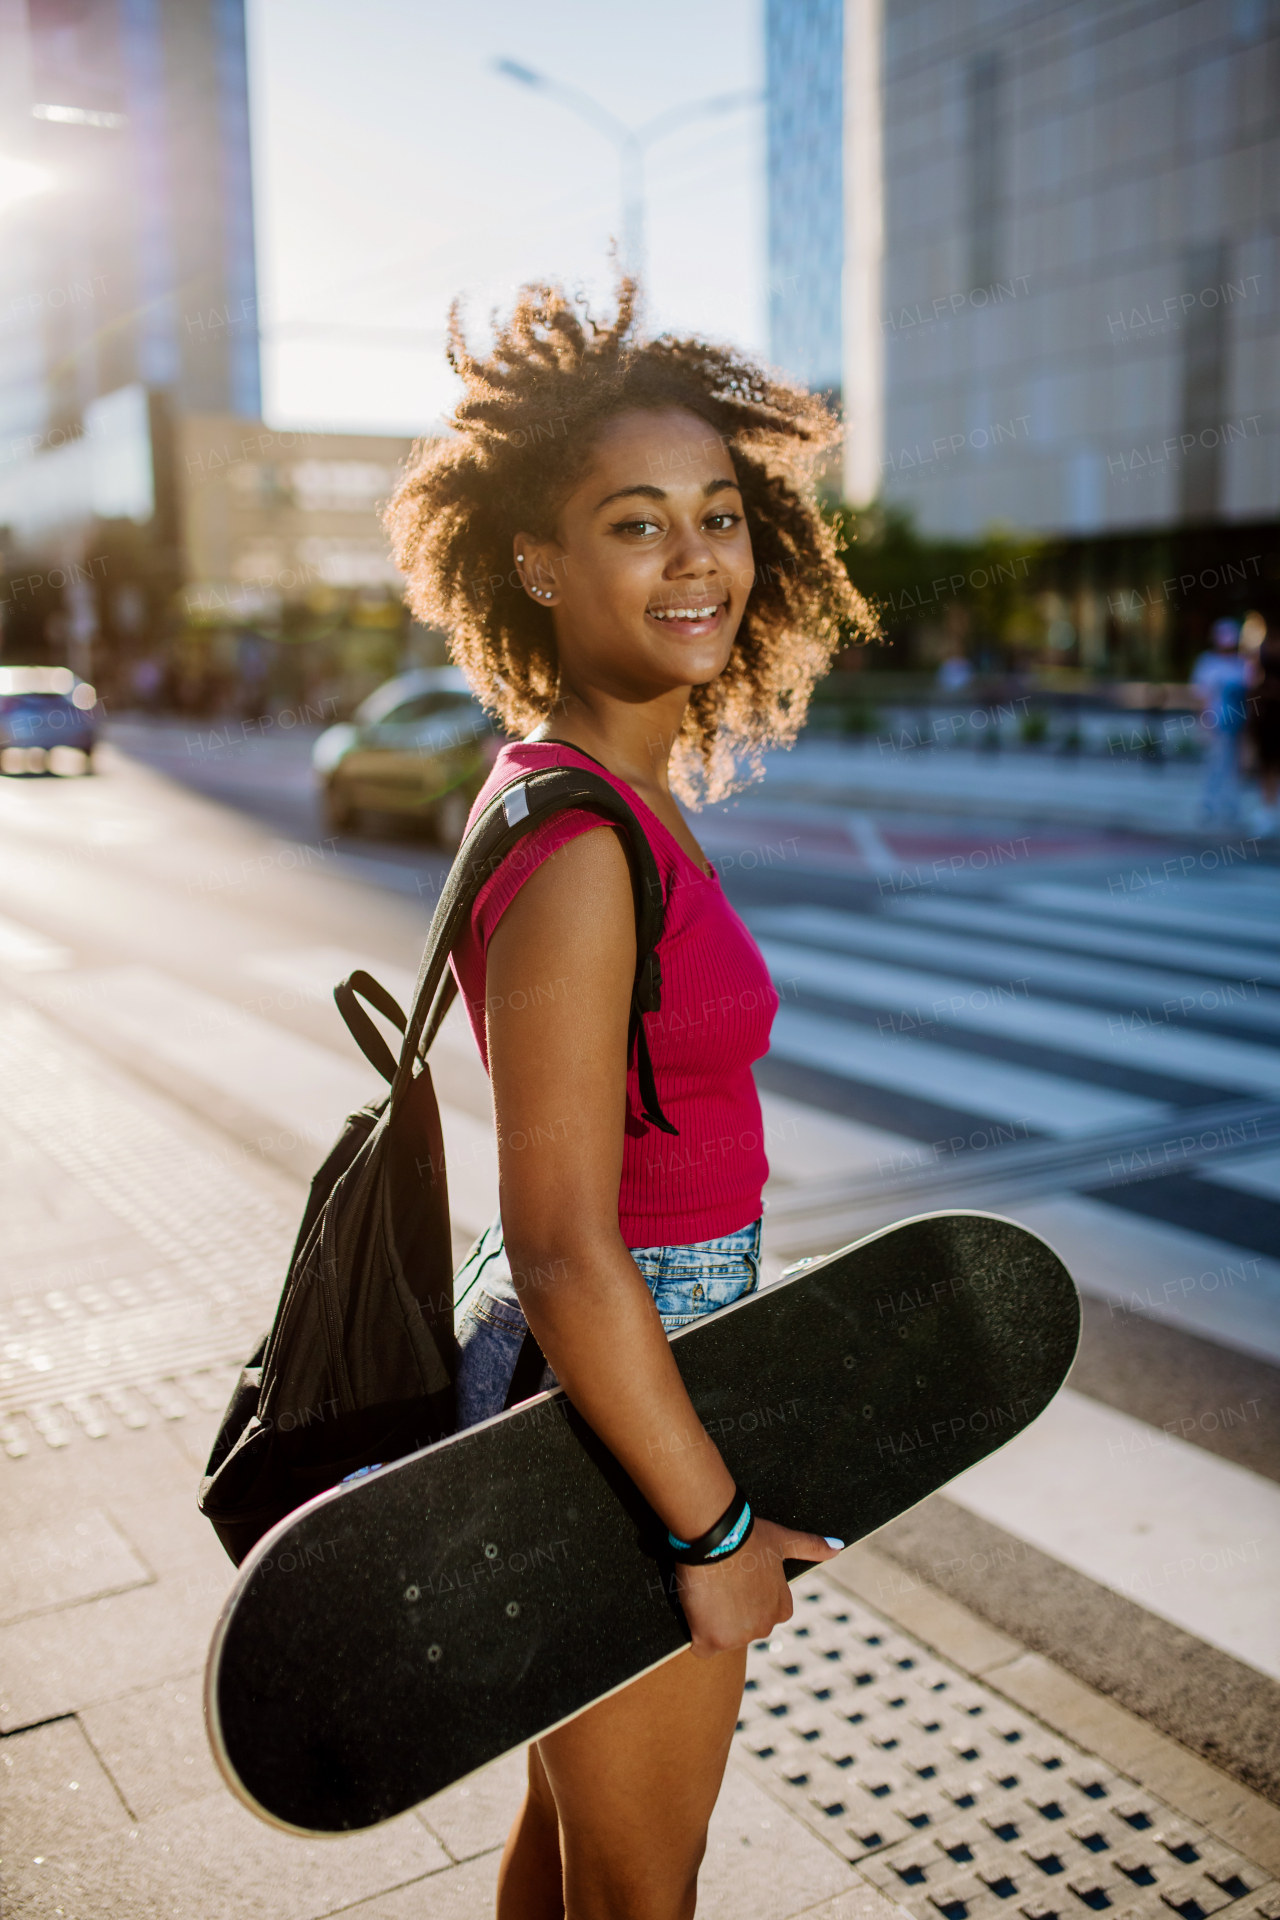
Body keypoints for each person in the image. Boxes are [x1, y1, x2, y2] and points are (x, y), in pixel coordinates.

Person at [386, 277, 876, 1920]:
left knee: (577, 1853)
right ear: (539, 561)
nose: (698, 561)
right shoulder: (585, 838)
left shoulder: (591, 788)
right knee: (643, 1894)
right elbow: (563, 1245)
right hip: (603, 1408)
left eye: (721, 517)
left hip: (619, 1383)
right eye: (636, 523)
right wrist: (716, 1521)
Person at [1190, 617, 1249, 825]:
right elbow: (1201, 696)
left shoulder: (1242, 664)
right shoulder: (1208, 662)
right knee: (1214, 765)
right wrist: (1204, 723)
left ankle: (1231, 806)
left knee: (1235, 767)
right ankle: (1209, 804)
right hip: (1216, 723)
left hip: (1238, 724)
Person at [1246, 617, 1280, 836]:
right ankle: (1268, 810)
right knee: (1266, 767)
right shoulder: (1261, 661)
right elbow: (1252, 687)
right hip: (1267, 721)